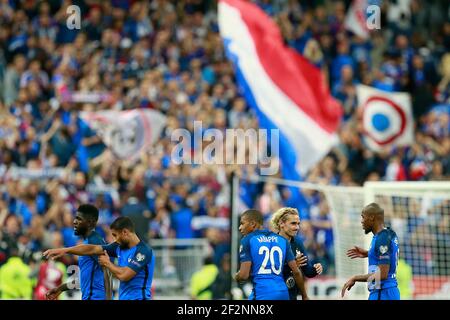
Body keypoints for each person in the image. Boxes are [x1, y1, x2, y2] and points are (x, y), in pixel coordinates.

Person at [44, 216, 155, 300]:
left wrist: (108, 263)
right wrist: (65, 250)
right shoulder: (118, 247)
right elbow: (91, 249)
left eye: (115, 235)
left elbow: (125, 275)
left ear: (125, 232)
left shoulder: (143, 251)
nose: (115, 240)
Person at [235, 209, 309, 300]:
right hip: (283, 293)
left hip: (262, 293)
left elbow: (243, 275)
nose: (240, 228)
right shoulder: (282, 240)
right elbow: (297, 272)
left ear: (253, 224)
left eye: (242, 223)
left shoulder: (247, 240)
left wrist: (236, 276)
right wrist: (304, 296)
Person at [45, 204, 112, 300]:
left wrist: (108, 299)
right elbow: (84, 280)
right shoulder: (88, 242)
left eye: (79, 219)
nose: (74, 222)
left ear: (89, 222)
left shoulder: (94, 240)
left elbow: (107, 270)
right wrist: (60, 288)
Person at [341, 203, 400, 300]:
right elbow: (389, 254)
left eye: (363, 217)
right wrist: (369, 253)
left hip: (383, 292)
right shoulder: (389, 233)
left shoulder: (382, 239)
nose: (362, 221)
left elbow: (382, 274)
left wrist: (355, 277)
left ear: (372, 217)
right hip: (387, 292)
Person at [271, 207, 323, 300]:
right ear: (281, 223)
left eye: (298, 224)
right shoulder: (271, 243)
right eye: (293, 223)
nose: (297, 227)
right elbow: (268, 273)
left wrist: (316, 269)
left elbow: (307, 271)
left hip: (291, 295)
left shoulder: (298, 243)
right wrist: (292, 266)